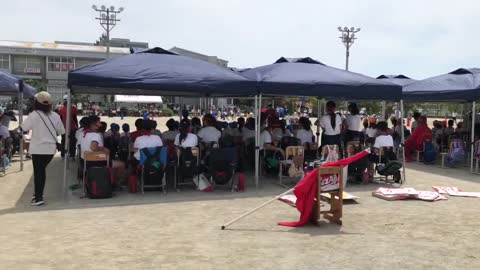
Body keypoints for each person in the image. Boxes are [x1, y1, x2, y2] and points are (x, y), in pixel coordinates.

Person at [21, 92, 65, 206]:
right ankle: (37, 195)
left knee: (39, 173)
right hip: (50, 150)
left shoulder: (33, 115)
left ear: (36, 102)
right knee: (41, 172)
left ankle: (38, 197)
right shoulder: (55, 115)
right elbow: (62, 131)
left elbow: (24, 128)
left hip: (37, 149)